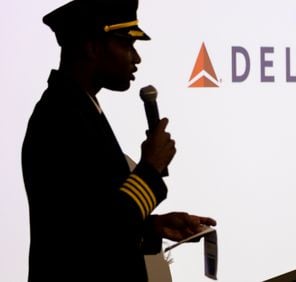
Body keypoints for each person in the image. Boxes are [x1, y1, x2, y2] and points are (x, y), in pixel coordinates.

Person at [21, 0, 216, 281]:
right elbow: (93, 237)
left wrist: (154, 227)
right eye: (126, 44)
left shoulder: (80, 108)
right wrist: (150, 169)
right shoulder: (60, 117)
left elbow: (90, 221)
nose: (136, 58)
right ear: (91, 46)